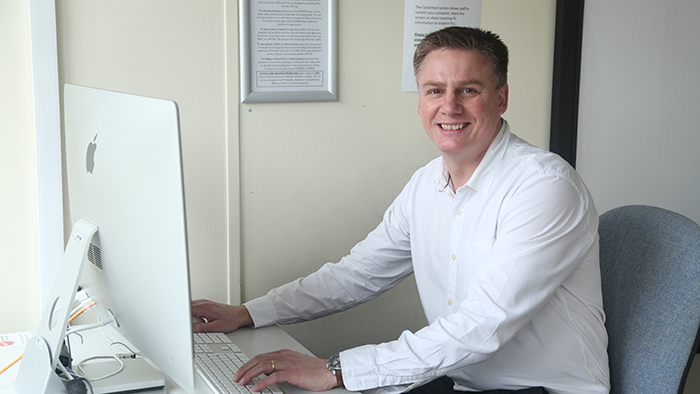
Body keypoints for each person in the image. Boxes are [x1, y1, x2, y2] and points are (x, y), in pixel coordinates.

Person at [192, 26, 610, 394]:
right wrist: (248, 313)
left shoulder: (543, 187)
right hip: (461, 379)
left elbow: (484, 326)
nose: (450, 106)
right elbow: (356, 275)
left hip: (540, 389)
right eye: (434, 90)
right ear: (420, 103)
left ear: (501, 98)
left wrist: (334, 369)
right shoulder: (427, 183)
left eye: (469, 89)